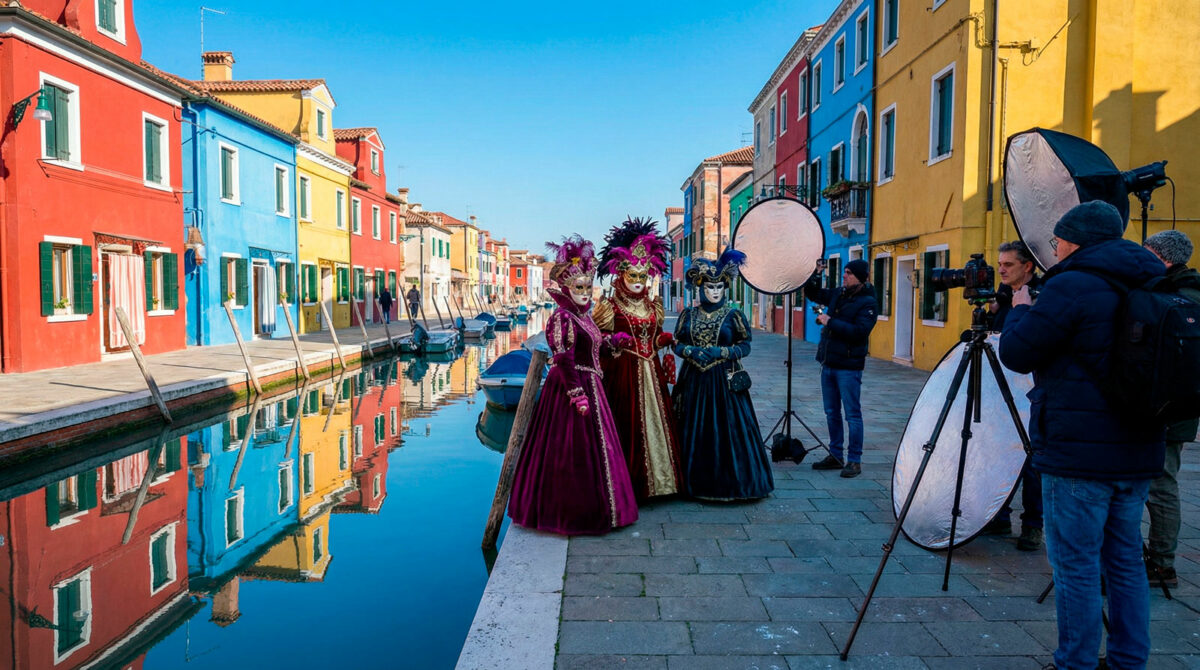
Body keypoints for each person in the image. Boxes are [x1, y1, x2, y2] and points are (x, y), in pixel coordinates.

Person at [999, 200, 1165, 670]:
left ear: (1074, 242)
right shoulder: (1151, 279)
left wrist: (1019, 311)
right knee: (1125, 562)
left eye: (1058, 241)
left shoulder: (1071, 285)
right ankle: (1129, 660)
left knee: (1076, 566)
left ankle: (1075, 663)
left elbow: (1017, 353)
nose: (1055, 249)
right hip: (1139, 447)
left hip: (1077, 453)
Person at [507, 235, 638, 535]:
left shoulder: (583, 317)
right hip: (569, 390)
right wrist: (577, 395)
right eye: (579, 287)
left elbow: (591, 348)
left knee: (596, 453)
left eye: (587, 287)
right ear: (566, 288)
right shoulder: (562, 318)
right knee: (568, 452)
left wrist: (613, 343)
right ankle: (568, 514)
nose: (584, 292)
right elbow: (564, 358)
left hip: (591, 385)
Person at [672, 250, 773, 500]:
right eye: (710, 287)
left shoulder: (733, 315)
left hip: (724, 382)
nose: (715, 292)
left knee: (728, 431)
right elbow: (677, 343)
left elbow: (745, 346)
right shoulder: (688, 315)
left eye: (719, 287)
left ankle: (732, 483)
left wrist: (723, 352)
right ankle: (691, 483)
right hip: (694, 381)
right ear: (700, 288)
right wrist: (690, 351)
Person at [594, 217, 683, 499]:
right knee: (626, 427)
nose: (637, 281)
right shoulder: (609, 307)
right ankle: (628, 488)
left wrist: (661, 340)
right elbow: (596, 341)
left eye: (642, 276)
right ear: (620, 274)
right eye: (632, 275)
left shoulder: (654, 306)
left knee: (658, 425)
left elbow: (653, 337)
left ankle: (662, 484)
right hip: (622, 374)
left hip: (652, 372)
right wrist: (612, 341)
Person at [1141, 230, 1200, 589]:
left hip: (1164, 405)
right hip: (1183, 405)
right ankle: (1161, 561)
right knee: (1162, 482)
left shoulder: (1171, 296)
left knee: (1160, 485)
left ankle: (1162, 564)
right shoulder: (1191, 292)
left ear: (1161, 258)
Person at [982, 240, 1044, 551]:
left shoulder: (1039, 297)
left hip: (1029, 389)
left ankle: (1033, 525)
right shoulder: (1004, 298)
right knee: (1001, 454)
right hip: (1000, 388)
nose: (1001, 270)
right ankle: (1000, 515)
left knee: (1031, 461)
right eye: (1000, 264)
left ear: (1028, 266)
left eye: (1008, 264)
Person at [804, 258, 879, 478]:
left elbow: (859, 332)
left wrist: (830, 321)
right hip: (828, 363)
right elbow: (813, 293)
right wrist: (816, 273)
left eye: (849, 273)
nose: (844, 276)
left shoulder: (868, 303)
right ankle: (835, 455)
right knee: (831, 413)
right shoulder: (839, 293)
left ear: (860, 277)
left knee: (852, 415)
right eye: (844, 272)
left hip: (848, 367)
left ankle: (854, 460)